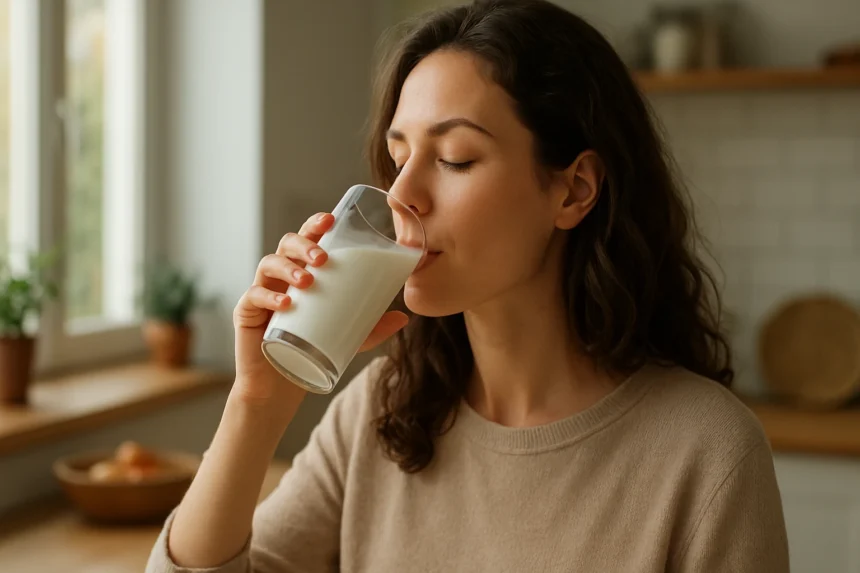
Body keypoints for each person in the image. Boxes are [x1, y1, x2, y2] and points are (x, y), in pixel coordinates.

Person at [147, 1, 790, 571]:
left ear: (574, 190)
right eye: (399, 160)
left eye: (454, 158)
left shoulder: (708, 454)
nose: (402, 197)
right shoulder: (382, 410)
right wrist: (258, 406)